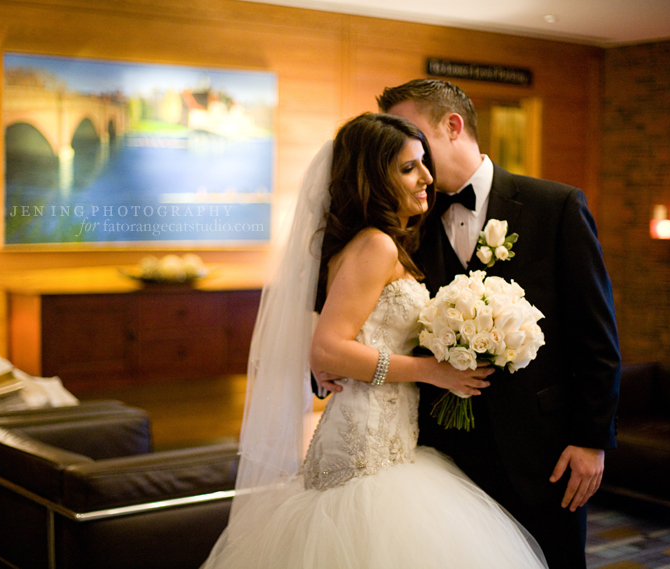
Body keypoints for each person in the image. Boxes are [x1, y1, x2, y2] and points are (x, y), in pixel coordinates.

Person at [200, 112, 548, 568]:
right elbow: (327, 348)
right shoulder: (376, 245)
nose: (427, 177)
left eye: (423, 163)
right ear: (372, 178)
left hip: (395, 444)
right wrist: (432, 371)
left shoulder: (386, 241)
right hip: (363, 451)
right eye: (408, 168)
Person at [341, 79, 618, 569]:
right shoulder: (405, 222)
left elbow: (595, 338)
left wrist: (591, 438)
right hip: (437, 455)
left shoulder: (555, 207)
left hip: (543, 451)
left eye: (416, 137)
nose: (411, 157)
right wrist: (330, 364)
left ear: (452, 126)